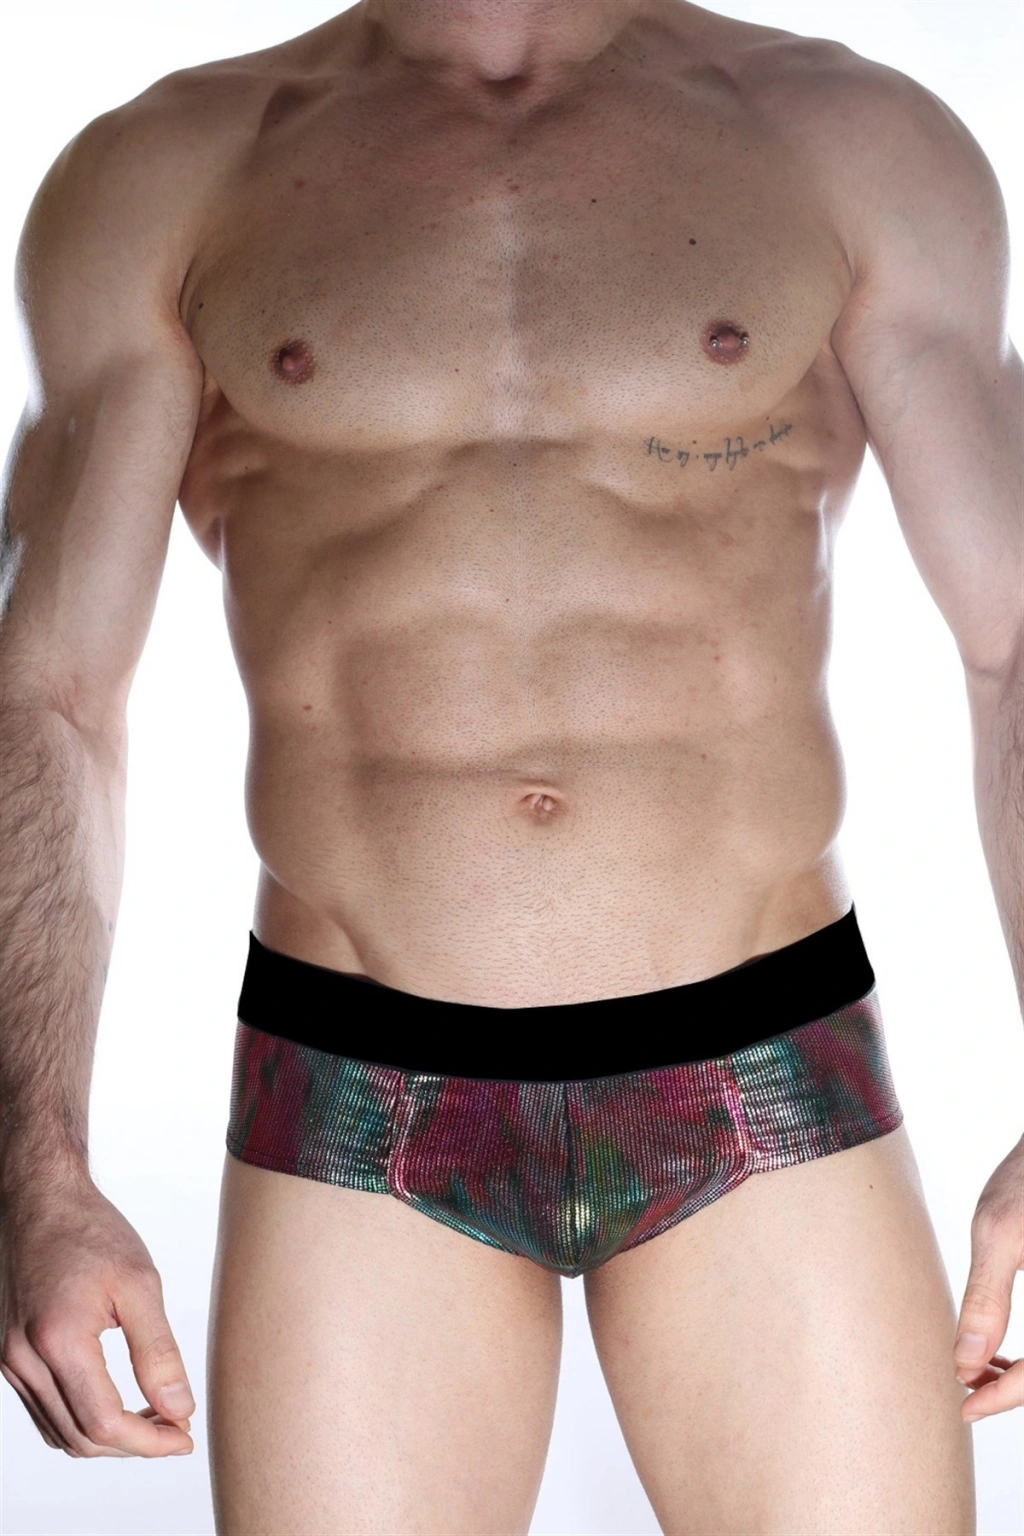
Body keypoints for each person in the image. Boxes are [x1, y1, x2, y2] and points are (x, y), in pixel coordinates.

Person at [1, 1, 1020, 1531]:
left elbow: (1013, 645)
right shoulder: (167, 170)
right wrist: (36, 1167)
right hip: (354, 1094)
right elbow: (53, 697)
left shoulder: (845, 136)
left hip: (761, 1064)